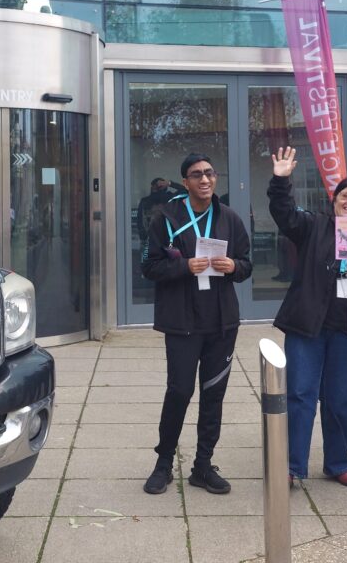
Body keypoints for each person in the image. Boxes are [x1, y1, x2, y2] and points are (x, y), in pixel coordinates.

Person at [268, 146, 347, 487]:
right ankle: (292, 466)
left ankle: (338, 462)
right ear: (335, 200)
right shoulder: (313, 226)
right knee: (300, 394)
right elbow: (283, 214)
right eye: (345, 196)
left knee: (341, 398)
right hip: (307, 326)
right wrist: (281, 181)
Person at [140, 153, 253, 495]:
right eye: (196, 175)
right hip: (182, 322)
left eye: (209, 173)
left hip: (221, 323)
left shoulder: (229, 218)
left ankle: (203, 466)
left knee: (213, 394)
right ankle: (163, 463)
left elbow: (246, 264)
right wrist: (183, 266)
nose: (205, 179)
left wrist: (234, 266)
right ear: (185, 182)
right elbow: (148, 266)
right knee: (179, 392)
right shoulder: (166, 218)